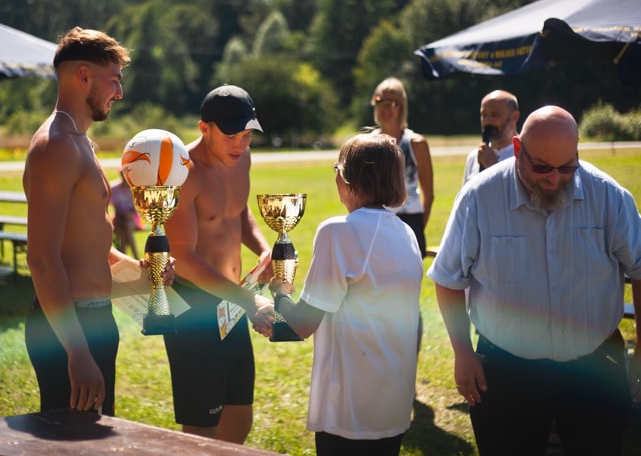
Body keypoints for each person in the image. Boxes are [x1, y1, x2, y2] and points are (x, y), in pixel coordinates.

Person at [428, 105, 641, 456]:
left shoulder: (608, 196)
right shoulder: (479, 198)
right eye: (542, 168)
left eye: (567, 167)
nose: (554, 179)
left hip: (595, 368)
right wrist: (462, 350)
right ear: (518, 149)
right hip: (506, 370)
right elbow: (448, 278)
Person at [22, 26, 165, 417]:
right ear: (84, 75)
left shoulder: (80, 141)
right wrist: (78, 351)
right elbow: (42, 259)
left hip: (95, 319)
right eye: (114, 80)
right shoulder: (56, 147)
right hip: (71, 328)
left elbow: (88, 245)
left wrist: (142, 272)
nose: (119, 92)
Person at [270, 132, 423, 456]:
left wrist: (279, 292)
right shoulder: (406, 232)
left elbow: (303, 324)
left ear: (346, 178)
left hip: (350, 407)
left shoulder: (338, 231)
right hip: (393, 403)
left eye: (336, 168)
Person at [162, 84, 275, 444]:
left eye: (247, 136)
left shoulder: (242, 159)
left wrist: (262, 251)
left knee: (240, 416)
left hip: (232, 302)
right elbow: (184, 259)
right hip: (193, 311)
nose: (240, 146)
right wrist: (249, 301)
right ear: (204, 128)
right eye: (230, 136)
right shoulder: (184, 173)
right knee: (201, 432)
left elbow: (239, 213)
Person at [369, 77, 434, 255]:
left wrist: (418, 227)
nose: (385, 108)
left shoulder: (416, 143)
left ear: (402, 106)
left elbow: (428, 194)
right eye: (380, 101)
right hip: (375, 220)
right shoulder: (367, 143)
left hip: (410, 220)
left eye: (392, 102)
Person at [462, 90, 520, 185]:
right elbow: (466, 198)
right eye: (484, 115)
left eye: (495, 115)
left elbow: (521, 197)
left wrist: (493, 167)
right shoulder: (474, 157)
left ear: (514, 116)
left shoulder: (524, 156)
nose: (487, 121)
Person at [110, 169, 143, 258]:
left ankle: (125, 256)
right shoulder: (114, 188)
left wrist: (129, 215)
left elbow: (136, 209)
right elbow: (115, 208)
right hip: (119, 218)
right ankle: (134, 258)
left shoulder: (135, 189)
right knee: (123, 228)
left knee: (126, 227)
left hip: (132, 219)